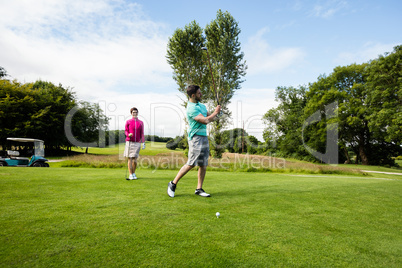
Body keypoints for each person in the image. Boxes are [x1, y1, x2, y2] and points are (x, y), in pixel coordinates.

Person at [167, 85, 221, 197]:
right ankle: (173, 183)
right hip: (195, 138)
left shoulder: (201, 105)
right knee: (191, 163)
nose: (201, 94)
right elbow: (205, 120)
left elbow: (209, 117)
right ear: (193, 95)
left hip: (204, 136)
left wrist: (217, 113)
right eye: (199, 93)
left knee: (203, 164)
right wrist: (215, 113)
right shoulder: (191, 108)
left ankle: (199, 189)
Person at [124, 107, 145, 180]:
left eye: (136, 112)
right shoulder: (128, 121)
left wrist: (143, 142)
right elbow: (126, 131)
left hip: (137, 142)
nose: (135, 114)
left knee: (135, 160)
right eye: (133, 112)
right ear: (131, 113)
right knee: (130, 159)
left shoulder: (141, 122)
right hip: (129, 141)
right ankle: (130, 174)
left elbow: (142, 133)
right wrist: (128, 134)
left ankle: (133, 173)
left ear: (137, 113)